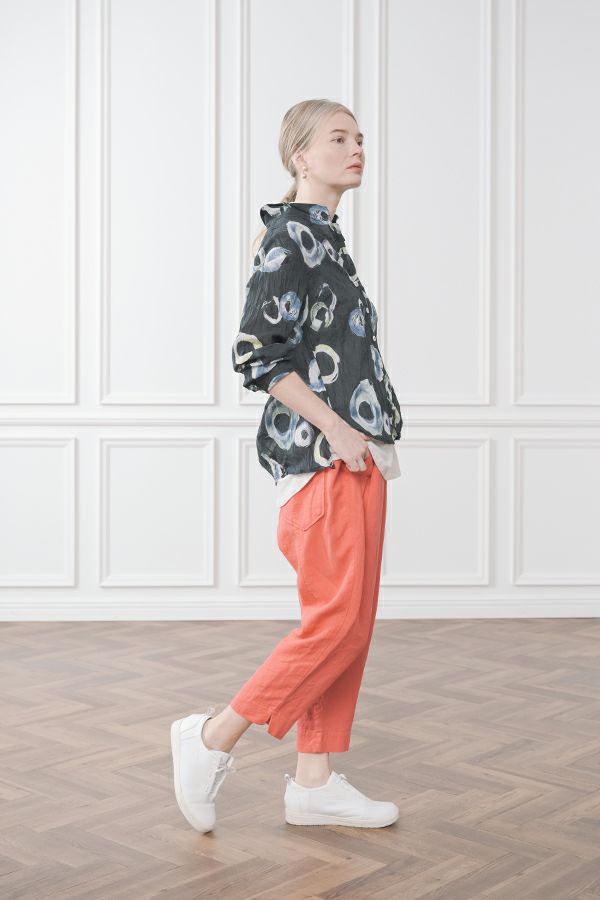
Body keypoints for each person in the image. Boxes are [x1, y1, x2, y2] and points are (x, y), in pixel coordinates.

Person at [171, 99, 403, 832]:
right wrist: (335, 428)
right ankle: (212, 737)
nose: (356, 148)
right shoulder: (290, 237)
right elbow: (256, 355)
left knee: (349, 625)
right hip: (323, 456)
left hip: (359, 455)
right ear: (300, 155)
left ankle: (314, 781)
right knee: (335, 623)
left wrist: (362, 437)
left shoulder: (325, 239)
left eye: (359, 138)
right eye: (338, 138)